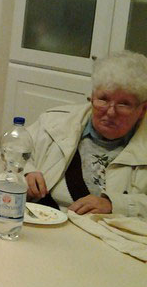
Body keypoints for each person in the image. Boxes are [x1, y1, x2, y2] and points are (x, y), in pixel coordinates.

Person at [25, 51, 147, 217]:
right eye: (103, 99)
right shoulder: (53, 123)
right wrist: (25, 173)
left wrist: (114, 205)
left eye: (124, 104)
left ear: (143, 109)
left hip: (107, 231)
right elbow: (8, 157)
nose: (110, 112)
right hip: (43, 221)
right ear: (92, 97)